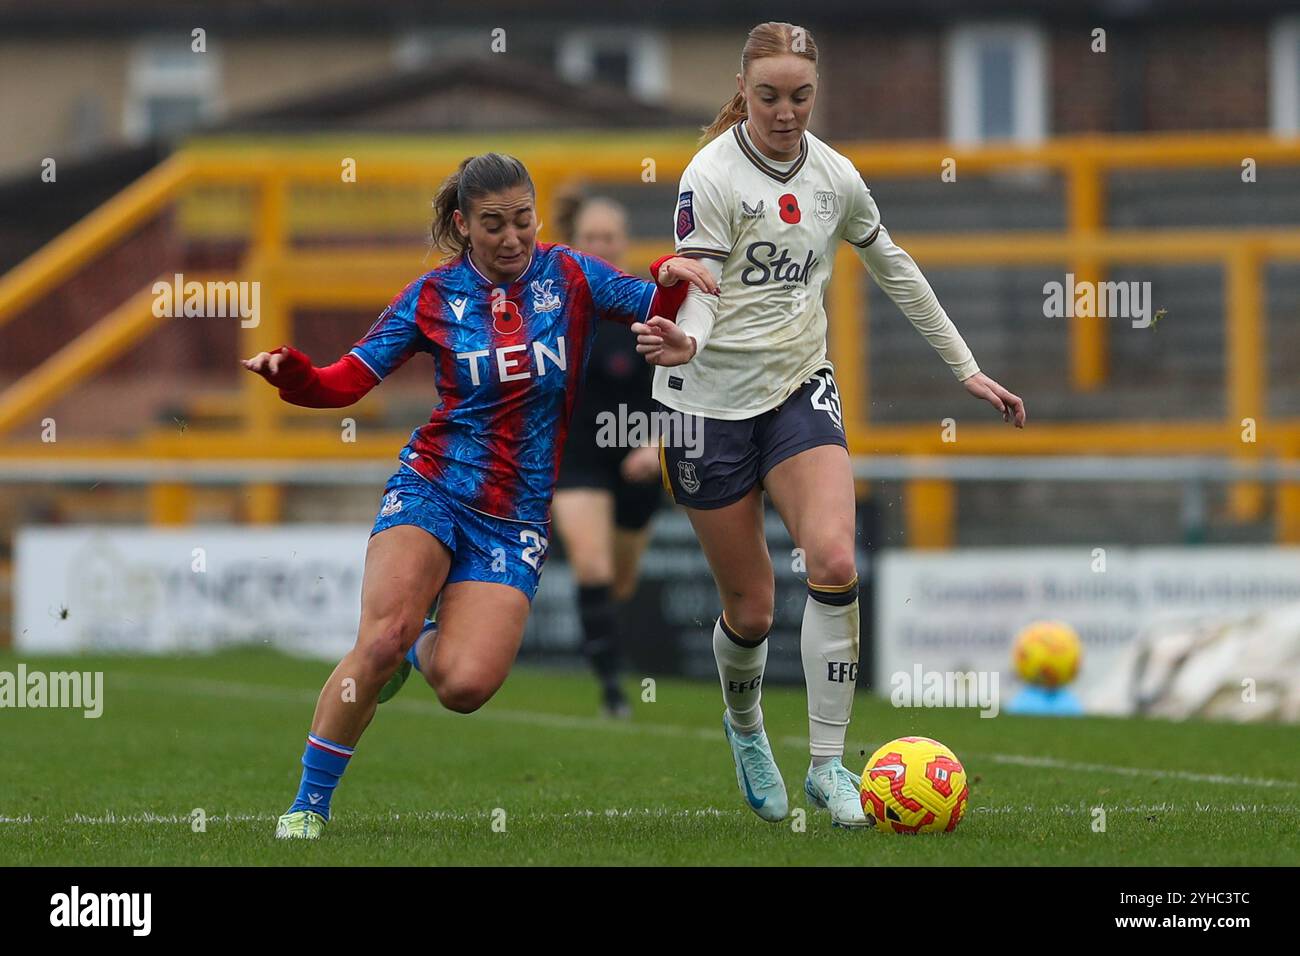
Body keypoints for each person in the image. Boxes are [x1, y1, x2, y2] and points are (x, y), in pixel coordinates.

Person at [242, 152, 718, 839]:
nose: (511, 237)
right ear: (464, 225)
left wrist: (673, 280)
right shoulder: (433, 297)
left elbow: (656, 311)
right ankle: (307, 807)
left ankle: (418, 650)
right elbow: (347, 379)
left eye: (522, 219)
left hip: (514, 517)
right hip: (433, 485)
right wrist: (296, 377)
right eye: (493, 224)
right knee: (378, 639)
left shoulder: (572, 276)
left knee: (465, 688)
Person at [635, 22, 1026, 827]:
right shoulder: (709, 174)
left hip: (796, 388)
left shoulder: (835, 176)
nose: (786, 112)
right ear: (744, 90)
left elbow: (896, 266)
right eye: (770, 95)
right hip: (704, 404)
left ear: (817, 93)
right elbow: (700, 283)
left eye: (801, 96)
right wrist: (686, 342)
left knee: (837, 559)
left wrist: (967, 368)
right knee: (750, 609)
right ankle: (745, 729)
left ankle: (827, 764)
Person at [550, 192, 664, 717]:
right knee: (591, 566)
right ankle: (613, 692)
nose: (599, 246)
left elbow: (683, 385)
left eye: (608, 237)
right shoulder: (553, 308)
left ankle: (610, 663)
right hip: (576, 456)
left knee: (620, 579)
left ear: (624, 243)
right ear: (575, 245)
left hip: (637, 456)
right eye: (589, 238)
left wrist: (657, 443)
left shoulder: (649, 306)